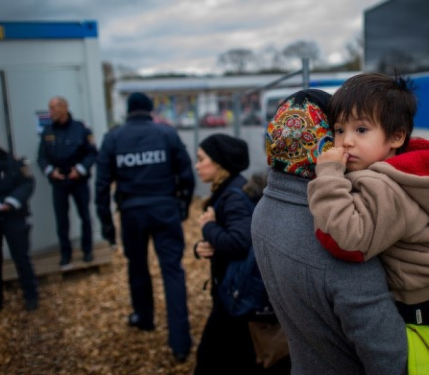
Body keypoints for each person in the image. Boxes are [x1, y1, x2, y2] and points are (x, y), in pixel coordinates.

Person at [251, 89, 408, 374]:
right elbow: (390, 356)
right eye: (338, 130)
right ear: (325, 142)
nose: (348, 141)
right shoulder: (334, 231)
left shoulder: (263, 208)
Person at [307, 73, 429, 335]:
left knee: (413, 360)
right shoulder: (407, 170)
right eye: (339, 130)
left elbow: (347, 241)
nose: (346, 140)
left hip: (418, 302)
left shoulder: (386, 187)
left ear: (396, 137)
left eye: (361, 130)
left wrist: (328, 175)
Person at [95, 92, 195, 363]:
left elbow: (102, 185)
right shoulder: (166, 134)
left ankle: (145, 318)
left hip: (132, 213)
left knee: (137, 267)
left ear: (128, 111)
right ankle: (180, 342)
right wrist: (183, 204)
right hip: (165, 208)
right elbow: (186, 172)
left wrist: (107, 225)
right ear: (150, 110)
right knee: (172, 271)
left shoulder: (113, 138)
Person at [194, 134, 289, 375]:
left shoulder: (234, 195)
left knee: (212, 358)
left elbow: (240, 241)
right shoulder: (230, 189)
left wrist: (208, 227)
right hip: (233, 290)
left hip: (236, 294)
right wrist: (201, 245)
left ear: (218, 162)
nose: (196, 165)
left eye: (201, 159)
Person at [37, 96, 98, 269]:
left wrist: (79, 169)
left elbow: (92, 153)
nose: (51, 112)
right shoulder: (48, 131)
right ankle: (66, 255)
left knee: (85, 216)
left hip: (78, 180)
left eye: (53, 108)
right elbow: (41, 157)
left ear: (64, 107)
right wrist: (50, 171)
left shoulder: (80, 128)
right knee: (62, 220)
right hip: (59, 182)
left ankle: (87, 251)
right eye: (49, 108)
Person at [0, 136, 38, 311]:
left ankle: (31, 296)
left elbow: (27, 183)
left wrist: (11, 202)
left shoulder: (15, 162)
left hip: (15, 216)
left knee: (22, 258)